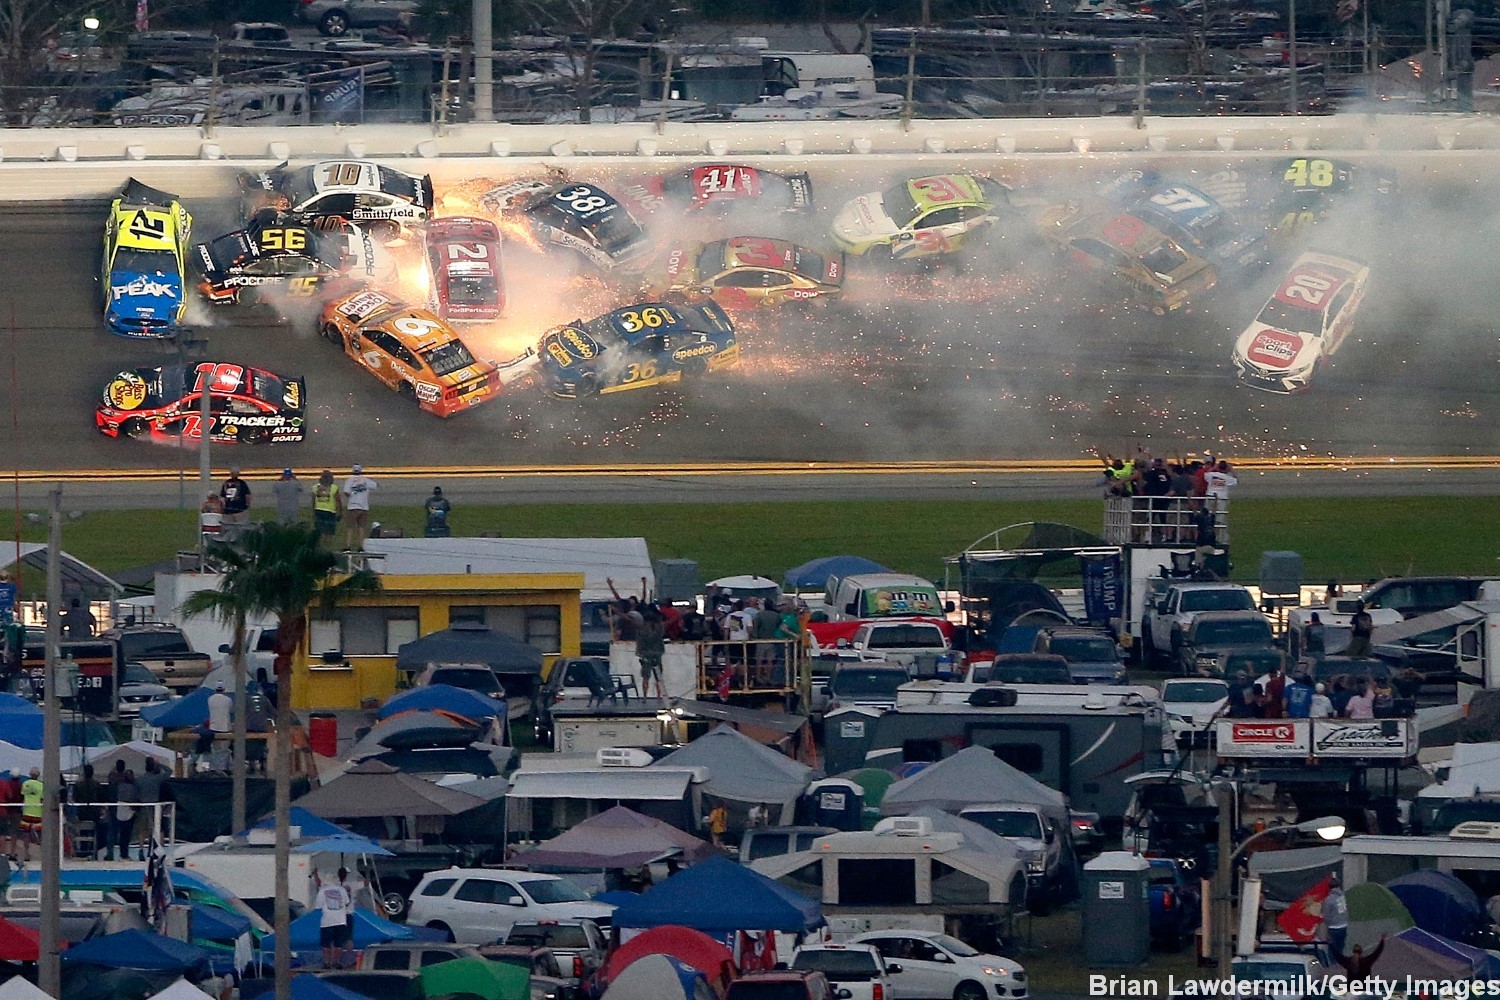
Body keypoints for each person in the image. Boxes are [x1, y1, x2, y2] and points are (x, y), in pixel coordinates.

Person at [313, 869, 352, 968]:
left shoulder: (322, 891)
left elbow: (318, 906)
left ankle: (327, 962)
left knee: (326, 944)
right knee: (338, 944)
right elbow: (347, 902)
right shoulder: (342, 890)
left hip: (327, 921)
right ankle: (336, 962)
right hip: (341, 921)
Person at [341, 465, 378, 551]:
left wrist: (352, 495)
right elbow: (376, 485)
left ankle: (348, 546)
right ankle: (361, 546)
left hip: (353, 506)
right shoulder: (366, 480)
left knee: (350, 527)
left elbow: (346, 492)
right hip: (364, 507)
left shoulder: (349, 480)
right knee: (361, 527)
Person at [70, 763, 103, 858]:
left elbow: (74, 798)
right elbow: (101, 798)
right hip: (94, 813)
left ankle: (83, 850)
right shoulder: (97, 785)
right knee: (95, 831)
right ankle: (93, 850)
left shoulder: (78, 785)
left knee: (83, 832)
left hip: (82, 813)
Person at [635, 606, 666, 700]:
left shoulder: (642, 627)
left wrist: (639, 652)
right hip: (657, 652)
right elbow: (661, 637)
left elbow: (640, 640)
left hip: (646, 653)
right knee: (658, 677)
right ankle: (659, 696)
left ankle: (644, 696)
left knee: (645, 677)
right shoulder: (660, 626)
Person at [113, 769, 138, 861]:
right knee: (126, 834)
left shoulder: (119, 786)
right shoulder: (133, 787)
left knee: (122, 833)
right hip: (127, 810)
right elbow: (133, 799)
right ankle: (124, 854)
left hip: (120, 809)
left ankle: (122, 853)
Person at [18, 768, 42, 862]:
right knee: (40, 834)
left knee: (26, 833)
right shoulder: (41, 785)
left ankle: (26, 854)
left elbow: (23, 795)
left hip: (27, 811)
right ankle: (43, 853)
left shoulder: (25, 784)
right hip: (38, 811)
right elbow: (42, 798)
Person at [312, 470, 341, 545]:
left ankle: (320, 544)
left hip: (318, 510)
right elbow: (338, 500)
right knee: (329, 531)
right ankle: (327, 544)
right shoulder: (334, 488)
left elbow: (313, 501)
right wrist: (340, 511)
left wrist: (313, 511)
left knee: (320, 530)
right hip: (330, 511)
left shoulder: (315, 487)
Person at [1323, 878, 1350, 957]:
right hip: (1344, 925)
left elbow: (1327, 915)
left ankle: (1333, 966)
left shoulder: (1328, 899)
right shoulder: (1342, 896)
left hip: (1334, 928)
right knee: (1340, 948)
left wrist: (1327, 929)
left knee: (1333, 951)